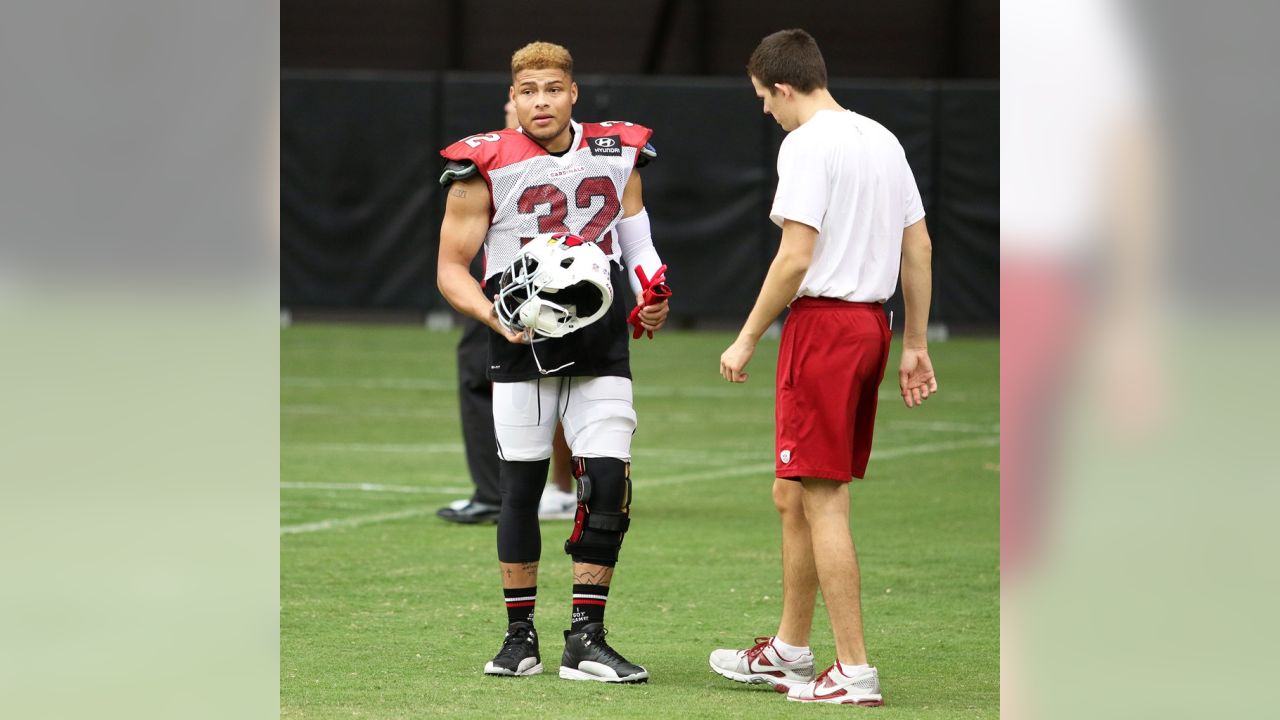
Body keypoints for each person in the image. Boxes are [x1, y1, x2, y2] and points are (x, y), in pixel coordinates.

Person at [709, 29, 937, 707]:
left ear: (783, 87)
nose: (764, 112)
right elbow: (918, 246)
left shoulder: (805, 144)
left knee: (824, 496)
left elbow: (795, 258)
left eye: (762, 98)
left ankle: (854, 670)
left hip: (825, 329)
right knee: (794, 489)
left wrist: (748, 336)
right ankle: (789, 650)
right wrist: (915, 342)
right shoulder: (882, 138)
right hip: (870, 327)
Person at [436, 41, 668, 683]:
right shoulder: (481, 164)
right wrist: (492, 317)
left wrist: (653, 291)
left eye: (553, 89)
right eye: (529, 90)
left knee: (607, 488)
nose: (541, 101)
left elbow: (636, 235)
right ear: (514, 98)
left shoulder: (616, 149)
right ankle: (519, 639)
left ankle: (586, 640)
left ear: (574, 94)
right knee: (520, 490)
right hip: (522, 340)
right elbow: (450, 269)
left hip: (600, 343)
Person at [436, 100, 577, 525]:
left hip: (515, 289)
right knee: (564, 382)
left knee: (491, 379)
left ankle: (497, 493)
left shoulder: (507, 156)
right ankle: (565, 489)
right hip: (575, 287)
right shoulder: (583, 154)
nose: (507, 106)